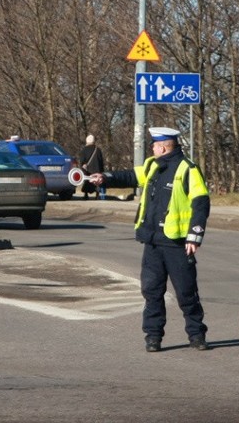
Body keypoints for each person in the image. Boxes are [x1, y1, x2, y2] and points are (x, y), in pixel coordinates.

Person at [89, 127, 211, 353]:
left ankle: (196, 335)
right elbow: (130, 176)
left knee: (186, 293)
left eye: (155, 145)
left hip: (177, 244)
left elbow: (201, 203)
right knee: (152, 292)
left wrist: (194, 236)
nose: (152, 148)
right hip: (153, 242)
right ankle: (153, 337)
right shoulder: (152, 165)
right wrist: (104, 178)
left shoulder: (188, 169)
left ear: (163, 147)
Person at [78, 134, 105, 200]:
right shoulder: (98, 150)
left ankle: (86, 194)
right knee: (97, 182)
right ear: (94, 141)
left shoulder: (84, 150)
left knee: (87, 182)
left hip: (88, 170)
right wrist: (101, 170)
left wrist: (82, 168)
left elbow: (82, 161)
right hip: (97, 169)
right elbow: (101, 160)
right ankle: (97, 195)